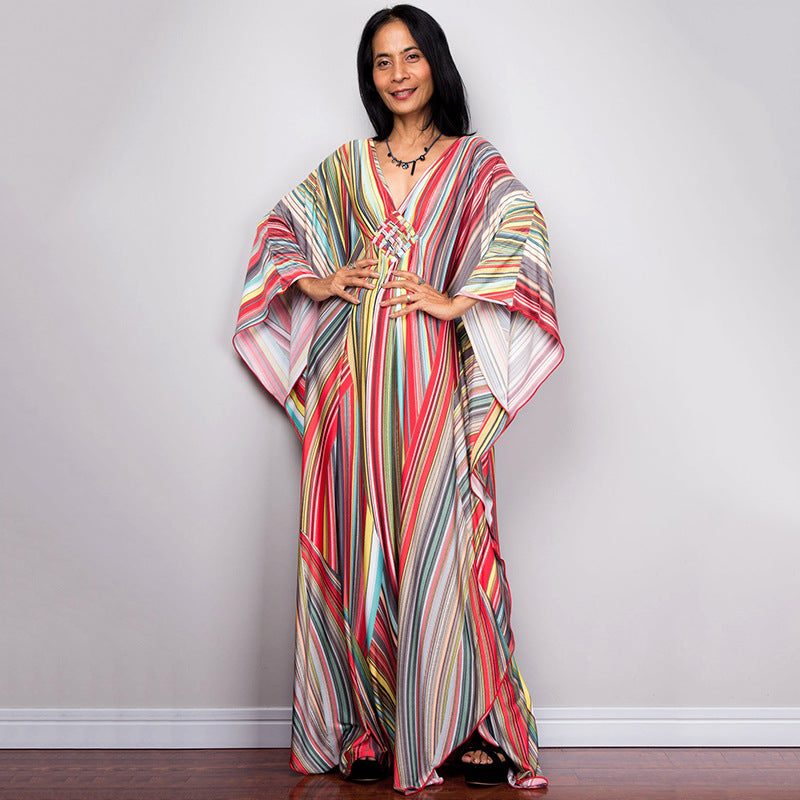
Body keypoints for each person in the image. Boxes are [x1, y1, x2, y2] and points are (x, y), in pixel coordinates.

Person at [233, 4, 563, 793]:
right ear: (369, 77)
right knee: (359, 548)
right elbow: (279, 229)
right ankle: (370, 727)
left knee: (449, 543)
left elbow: (522, 227)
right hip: (352, 386)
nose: (398, 74)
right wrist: (317, 280)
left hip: (432, 382)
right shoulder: (349, 165)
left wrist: (456, 300)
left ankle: (472, 726)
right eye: (382, 61)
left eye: (410, 55)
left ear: (434, 62)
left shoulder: (473, 163)